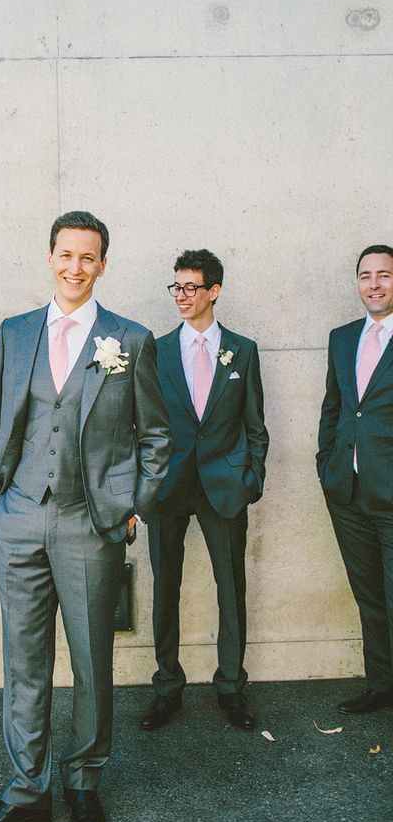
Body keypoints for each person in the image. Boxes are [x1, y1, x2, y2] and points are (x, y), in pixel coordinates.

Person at [0, 211, 171, 822]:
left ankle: (83, 780)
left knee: (89, 661)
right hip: (19, 517)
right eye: (66, 254)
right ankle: (27, 789)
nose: (76, 267)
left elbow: (156, 435)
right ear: (49, 257)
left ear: (103, 264)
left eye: (89, 257)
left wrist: (133, 506)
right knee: (23, 662)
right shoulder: (15, 330)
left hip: (90, 522)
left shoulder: (129, 338)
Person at [141, 249, 268, 733]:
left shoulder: (243, 349)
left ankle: (232, 688)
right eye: (176, 287)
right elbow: (144, 423)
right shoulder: (155, 348)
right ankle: (167, 688)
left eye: (191, 287)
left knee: (230, 589)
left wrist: (250, 480)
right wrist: (145, 483)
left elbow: (255, 424)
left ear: (214, 291)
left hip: (224, 487)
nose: (182, 296)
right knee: (164, 588)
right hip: (168, 487)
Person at [317, 244, 393, 714]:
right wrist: (327, 464)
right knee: (369, 597)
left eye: (384, 274)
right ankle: (381, 686)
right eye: (365, 275)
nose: (374, 284)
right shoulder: (342, 338)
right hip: (348, 493)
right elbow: (335, 407)